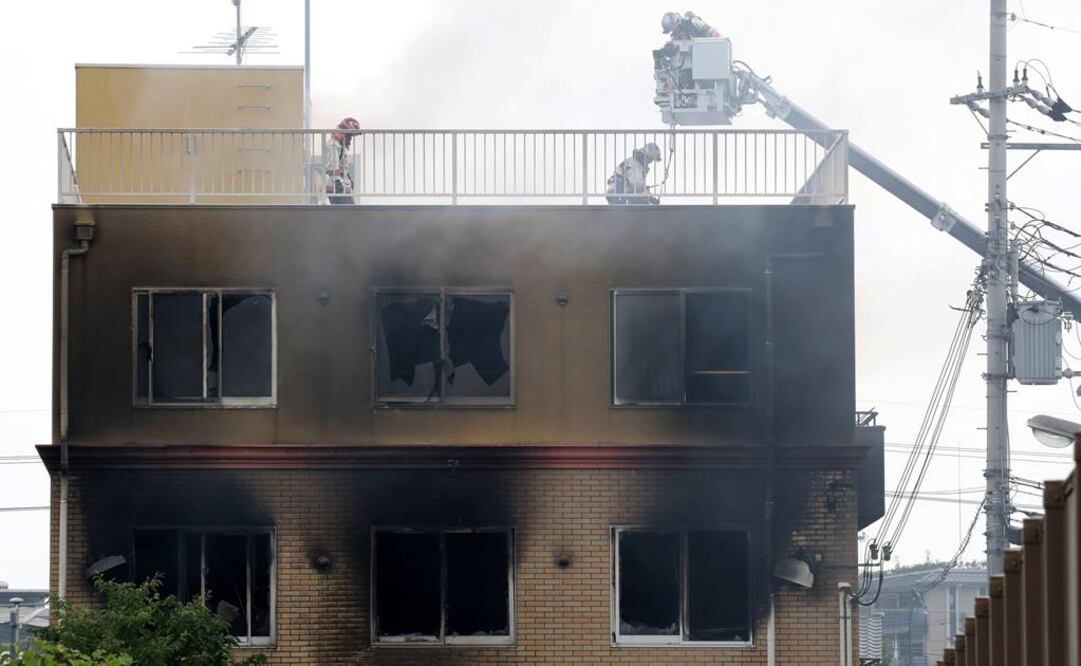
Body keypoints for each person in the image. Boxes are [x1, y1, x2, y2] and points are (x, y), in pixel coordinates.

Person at [324, 117, 360, 204]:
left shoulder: (340, 146)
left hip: (342, 185)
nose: (350, 139)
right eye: (349, 136)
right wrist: (337, 183)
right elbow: (332, 167)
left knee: (350, 214)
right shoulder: (333, 145)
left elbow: (343, 166)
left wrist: (349, 178)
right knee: (345, 215)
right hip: (335, 186)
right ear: (344, 133)